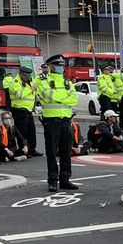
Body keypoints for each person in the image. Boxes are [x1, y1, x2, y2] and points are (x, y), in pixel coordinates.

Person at [37, 54, 79, 193]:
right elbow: (49, 96)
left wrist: (60, 98)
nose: (60, 68)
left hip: (66, 121)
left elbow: (75, 99)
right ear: (50, 66)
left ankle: (65, 179)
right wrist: (64, 98)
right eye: (57, 65)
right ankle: (53, 181)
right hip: (51, 122)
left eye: (62, 66)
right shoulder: (44, 80)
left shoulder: (67, 82)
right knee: (51, 153)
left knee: (66, 152)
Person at [7, 66, 42, 157]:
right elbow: (19, 94)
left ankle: (32, 149)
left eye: (29, 76)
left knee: (31, 131)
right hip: (19, 110)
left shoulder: (28, 82)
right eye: (26, 76)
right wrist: (30, 89)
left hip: (28, 110)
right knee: (22, 132)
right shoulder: (15, 82)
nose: (28, 77)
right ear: (21, 74)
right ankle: (23, 149)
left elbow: (34, 93)